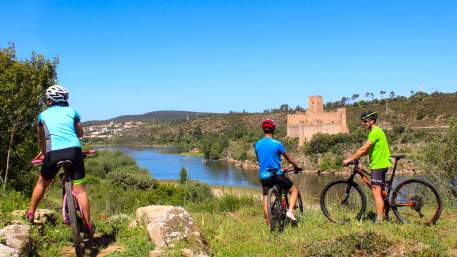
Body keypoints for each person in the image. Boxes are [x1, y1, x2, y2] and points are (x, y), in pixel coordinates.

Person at [27, 85, 94, 236]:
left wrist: (45, 154)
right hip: (74, 151)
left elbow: (41, 138)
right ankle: (88, 225)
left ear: (50, 100)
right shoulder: (72, 112)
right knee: (81, 190)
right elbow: (80, 133)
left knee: (42, 183)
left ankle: (30, 214)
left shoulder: (42, 115)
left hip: (53, 154)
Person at [343, 111, 391, 221]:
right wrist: (357, 156)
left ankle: (379, 220)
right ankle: (384, 215)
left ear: (372, 121)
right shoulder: (377, 131)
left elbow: (364, 148)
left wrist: (350, 159)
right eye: (362, 122)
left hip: (378, 165)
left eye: (365, 121)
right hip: (381, 163)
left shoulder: (374, 132)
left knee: (376, 191)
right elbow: (367, 150)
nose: (363, 123)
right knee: (381, 191)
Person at [255, 119, 302, 226]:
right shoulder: (277, 144)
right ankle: (290, 212)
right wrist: (295, 166)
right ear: (273, 129)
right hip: (277, 174)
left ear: (263, 129)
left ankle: (269, 224)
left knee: (266, 198)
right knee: (294, 191)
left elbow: (259, 160)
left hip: (264, 176)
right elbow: (288, 158)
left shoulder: (257, 144)